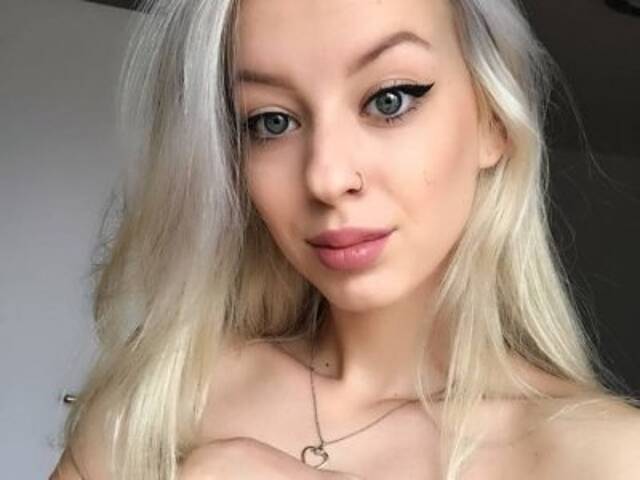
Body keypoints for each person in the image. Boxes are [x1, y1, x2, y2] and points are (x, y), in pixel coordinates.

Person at [50, 0, 640, 479]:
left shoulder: (604, 457)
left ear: (493, 120)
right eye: (271, 121)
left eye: (390, 99)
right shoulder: (163, 398)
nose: (326, 178)